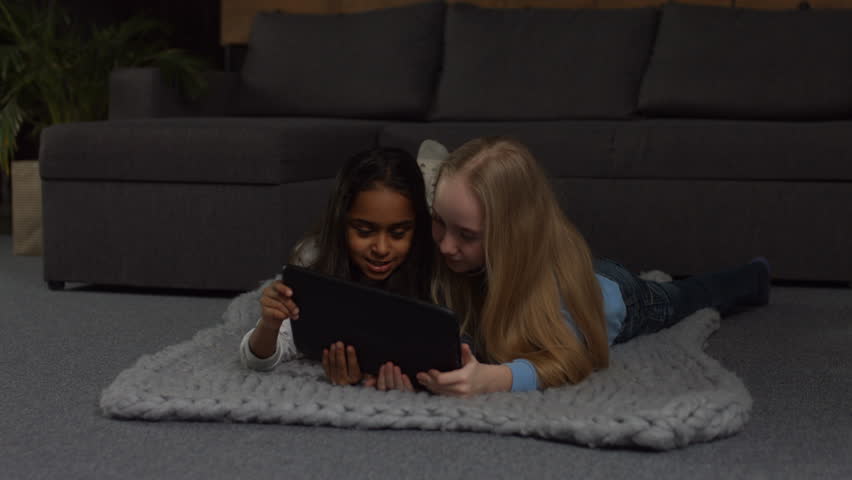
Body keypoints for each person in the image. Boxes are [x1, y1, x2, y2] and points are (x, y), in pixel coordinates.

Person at [418, 136, 770, 397]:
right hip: (579, 274)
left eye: (466, 235)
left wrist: (492, 379)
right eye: (439, 222)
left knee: (690, 295)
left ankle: (754, 275)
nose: (446, 246)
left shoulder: (556, 294)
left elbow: (567, 361)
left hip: (625, 298)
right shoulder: (455, 247)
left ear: (513, 238)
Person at [239, 147, 434, 391]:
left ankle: (434, 178)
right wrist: (269, 324)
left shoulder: (436, 264)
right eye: (364, 231)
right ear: (341, 223)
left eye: (398, 233)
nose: (382, 248)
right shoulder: (314, 258)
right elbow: (256, 358)